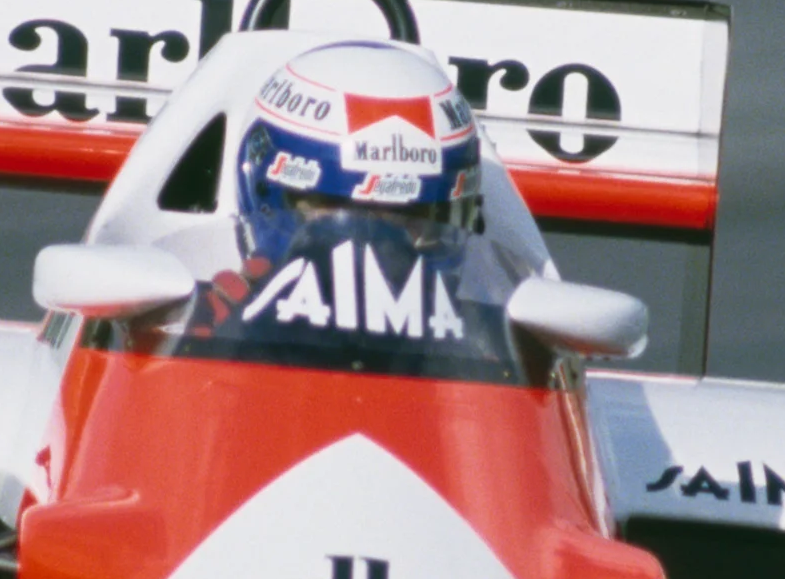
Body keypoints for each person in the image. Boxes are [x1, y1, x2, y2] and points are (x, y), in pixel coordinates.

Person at [175, 41, 524, 380]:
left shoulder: (489, 353)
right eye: (335, 209)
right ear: (267, 195)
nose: (369, 245)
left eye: (406, 216)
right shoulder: (205, 323)